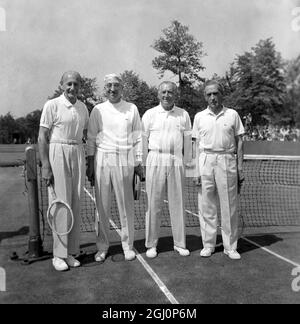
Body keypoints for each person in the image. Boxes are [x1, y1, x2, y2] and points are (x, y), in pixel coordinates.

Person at [86, 74, 143, 262]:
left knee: (125, 206)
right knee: (101, 207)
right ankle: (102, 247)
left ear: (122, 88)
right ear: (105, 89)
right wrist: (90, 164)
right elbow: (92, 138)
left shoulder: (131, 108)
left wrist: (138, 162)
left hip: (125, 158)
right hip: (102, 158)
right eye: (109, 85)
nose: (112, 89)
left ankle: (128, 246)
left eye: (116, 85)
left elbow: (138, 138)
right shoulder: (97, 110)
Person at [38, 71, 89, 271]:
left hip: (77, 151)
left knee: (75, 201)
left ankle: (70, 252)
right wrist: (45, 166)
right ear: (61, 85)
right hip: (57, 151)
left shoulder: (83, 107)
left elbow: (84, 134)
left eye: (76, 84)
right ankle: (58, 255)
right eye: (68, 83)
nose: (72, 88)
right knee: (60, 203)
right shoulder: (52, 105)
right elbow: (42, 136)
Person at [192, 80, 244, 260]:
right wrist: (195, 171)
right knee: (206, 205)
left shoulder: (233, 114)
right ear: (205, 96)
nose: (212, 97)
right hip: (205, 160)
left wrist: (240, 167)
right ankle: (208, 245)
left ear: (221, 94)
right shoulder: (199, 116)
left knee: (229, 205)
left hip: (227, 160)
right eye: (209, 94)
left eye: (215, 93)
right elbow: (194, 145)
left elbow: (240, 142)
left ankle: (230, 247)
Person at [142, 81, 192, 259]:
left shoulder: (183, 115)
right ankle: (151, 244)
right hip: (154, 158)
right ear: (158, 94)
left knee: (177, 203)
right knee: (153, 204)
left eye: (170, 92)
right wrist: (142, 165)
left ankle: (179, 243)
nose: (166, 95)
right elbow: (142, 141)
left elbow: (188, 143)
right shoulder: (149, 114)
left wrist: (188, 165)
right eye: (163, 92)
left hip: (176, 159)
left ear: (175, 94)